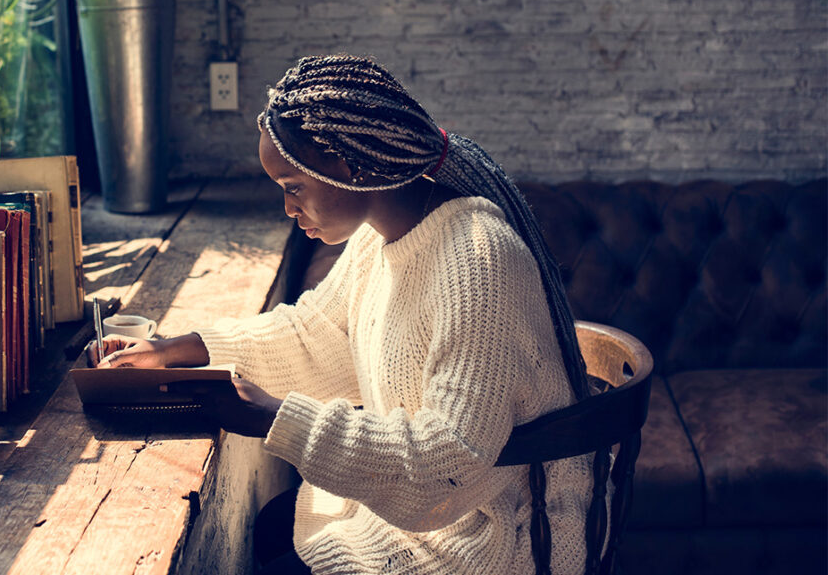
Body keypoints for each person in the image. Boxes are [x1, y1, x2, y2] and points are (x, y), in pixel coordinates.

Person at [90, 54, 597, 575]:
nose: (288, 210)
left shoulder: (477, 256)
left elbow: (450, 457)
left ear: (349, 165)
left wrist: (273, 416)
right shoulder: (378, 239)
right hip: (431, 516)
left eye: (294, 188)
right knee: (271, 528)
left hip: (499, 536)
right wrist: (183, 348)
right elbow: (316, 336)